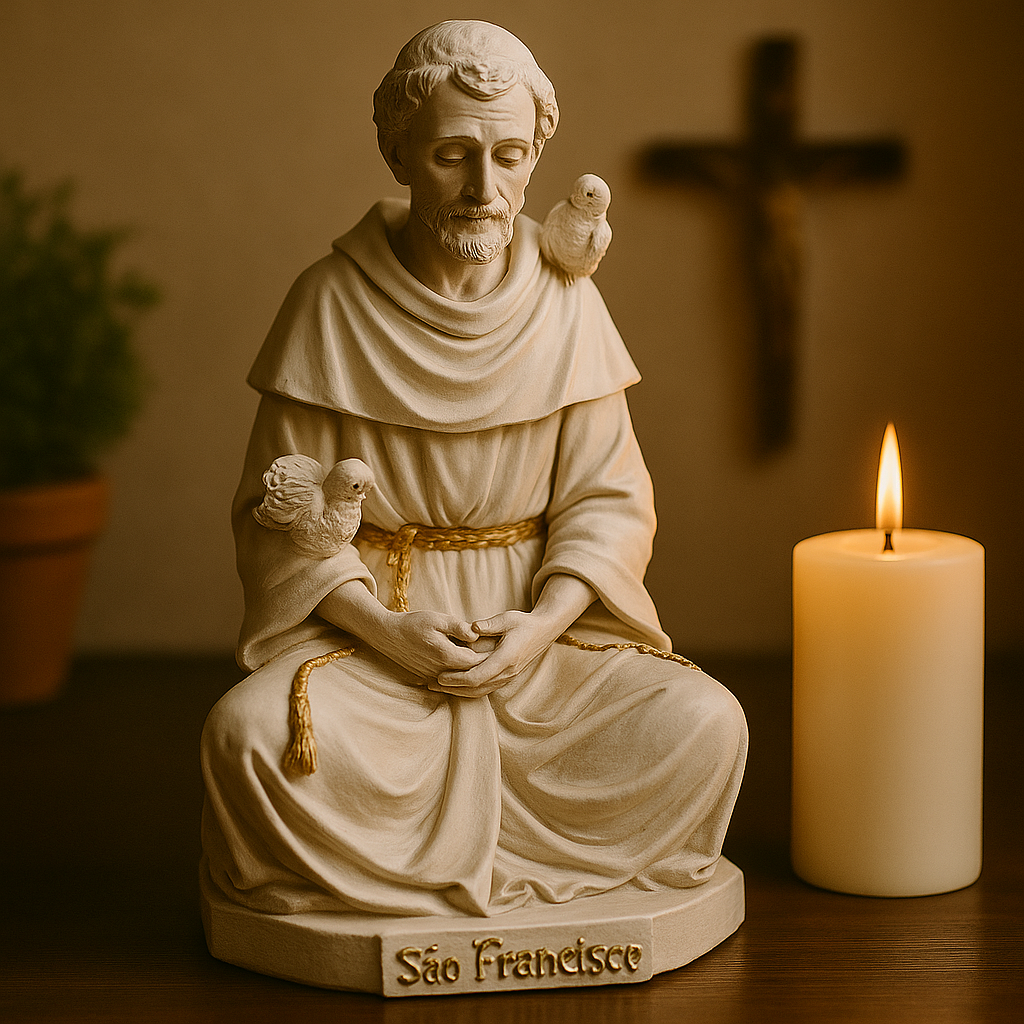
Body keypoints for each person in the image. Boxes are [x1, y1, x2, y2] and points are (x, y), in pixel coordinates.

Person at [201, 20, 746, 920]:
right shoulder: (329, 304)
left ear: (536, 157)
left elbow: (608, 505)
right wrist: (391, 634)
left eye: (509, 155)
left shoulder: (566, 302)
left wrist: (537, 630)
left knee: (705, 723)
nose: (483, 189)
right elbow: (285, 517)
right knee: (247, 740)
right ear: (398, 153)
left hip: (542, 652)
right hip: (373, 651)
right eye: (452, 154)